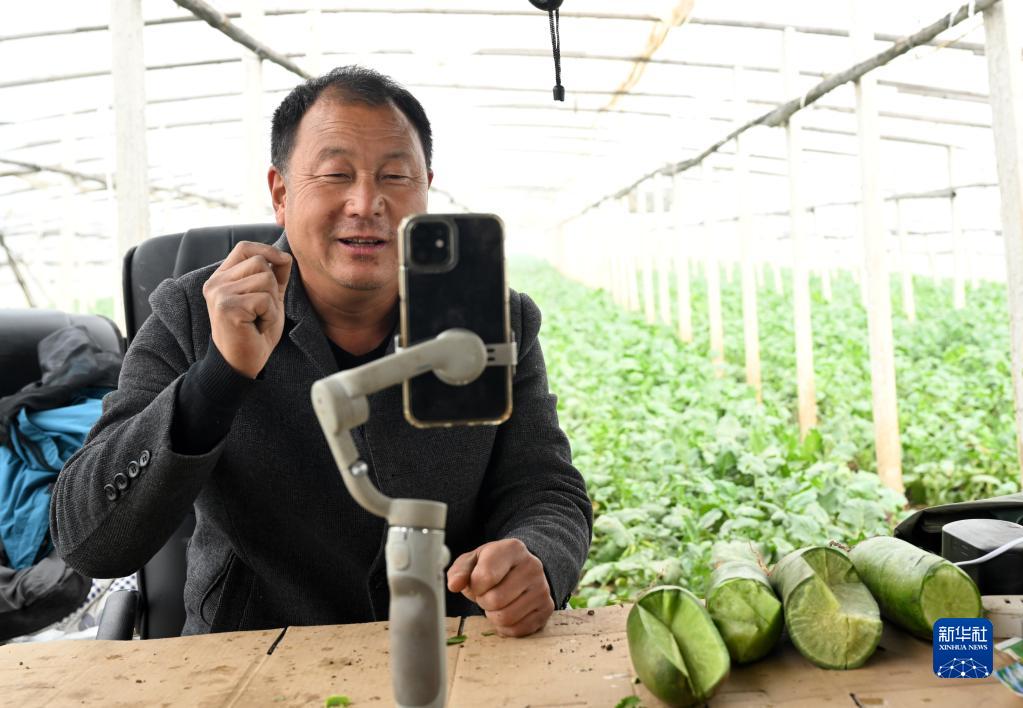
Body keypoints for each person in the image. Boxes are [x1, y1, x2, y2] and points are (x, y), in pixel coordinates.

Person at [50, 66, 592, 638]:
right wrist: (217, 376)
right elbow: (89, 540)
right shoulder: (196, 313)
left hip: (446, 647)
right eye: (336, 174)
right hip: (254, 654)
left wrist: (538, 557)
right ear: (281, 193)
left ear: (426, 190)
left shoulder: (490, 319)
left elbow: (545, 487)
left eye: (396, 176)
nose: (366, 202)